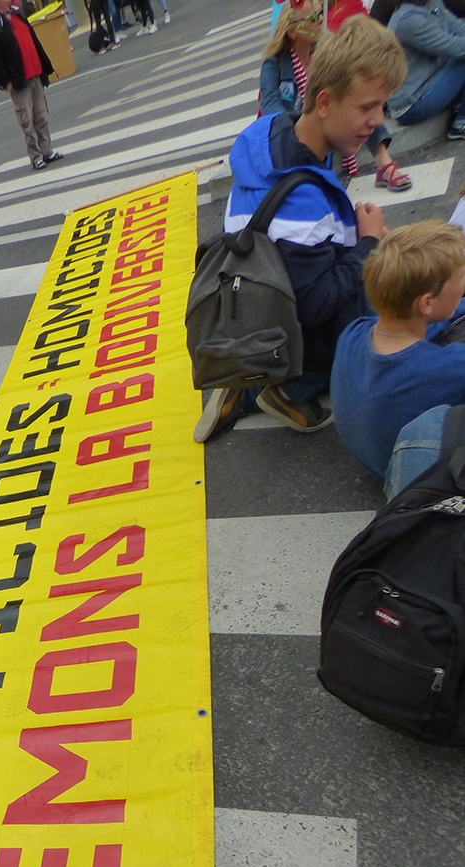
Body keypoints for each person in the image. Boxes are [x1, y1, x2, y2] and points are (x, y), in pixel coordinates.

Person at [194, 14, 405, 441]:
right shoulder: (302, 199)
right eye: (367, 108)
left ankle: (249, 381)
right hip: (289, 320)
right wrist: (366, 243)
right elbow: (316, 305)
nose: (375, 121)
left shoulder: (273, 135)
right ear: (325, 102)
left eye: (382, 107)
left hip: (254, 301)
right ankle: (283, 387)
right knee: (398, 323)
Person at [331, 220, 465, 498]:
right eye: (461, 279)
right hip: (411, 478)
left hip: (373, 456)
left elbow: (430, 323)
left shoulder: (353, 332)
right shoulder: (447, 368)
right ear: (426, 302)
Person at [260, 0, 410, 189]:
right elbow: (270, 104)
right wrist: (294, 128)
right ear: (292, 31)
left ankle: (384, 163)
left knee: (364, 106)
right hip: (296, 131)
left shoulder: (322, 52)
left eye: (320, 13)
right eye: (314, 17)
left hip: (325, 118)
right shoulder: (274, 63)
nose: (322, 18)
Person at [0, 0, 64, 170]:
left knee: (41, 115)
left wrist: (44, 65)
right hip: (19, 81)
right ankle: (36, 157)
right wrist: (6, 82)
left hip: (35, 72)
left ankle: (47, 151)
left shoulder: (17, 14)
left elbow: (33, 41)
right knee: (27, 121)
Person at [387, 0, 465, 139]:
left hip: (431, 84)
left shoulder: (432, 3)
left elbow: (458, 27)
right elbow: (453, 47)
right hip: (410, 106)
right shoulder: (408, 19)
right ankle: (460, 123)